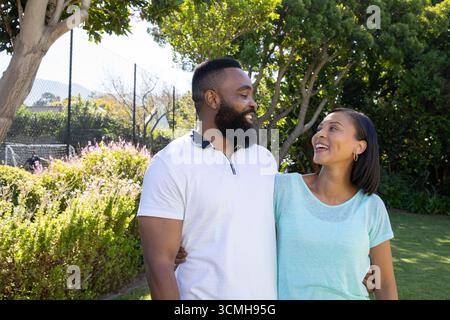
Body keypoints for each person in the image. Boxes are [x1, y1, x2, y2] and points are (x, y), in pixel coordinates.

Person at [137, 58, 278, 299]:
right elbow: (159, 263)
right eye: (243, 95)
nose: (253, 103)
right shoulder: (169, 164)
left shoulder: (264, 158)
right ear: (213, 99)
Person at [275, 108, 398, 300]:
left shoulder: (372, 207)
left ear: (359, 147)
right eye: (320, 128)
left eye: (333, 128)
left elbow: (384, 282)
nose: (320, 134)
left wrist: (367, 277)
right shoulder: (283, 188)